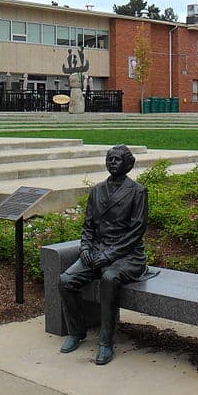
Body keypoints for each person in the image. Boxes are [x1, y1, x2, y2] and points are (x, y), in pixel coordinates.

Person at [57, 144, 149, 365]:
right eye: (110, 159)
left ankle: (105, 342)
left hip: (128, 255)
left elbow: (136, 232)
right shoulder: (97, 190)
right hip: (97, 251)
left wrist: (108, 255)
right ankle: (77, 332)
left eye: (117, 159)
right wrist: (86, 249)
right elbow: (88, 226)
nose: (112, 163)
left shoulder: (138, 191)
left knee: (109, 279)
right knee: (65, 280)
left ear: (127, 164)